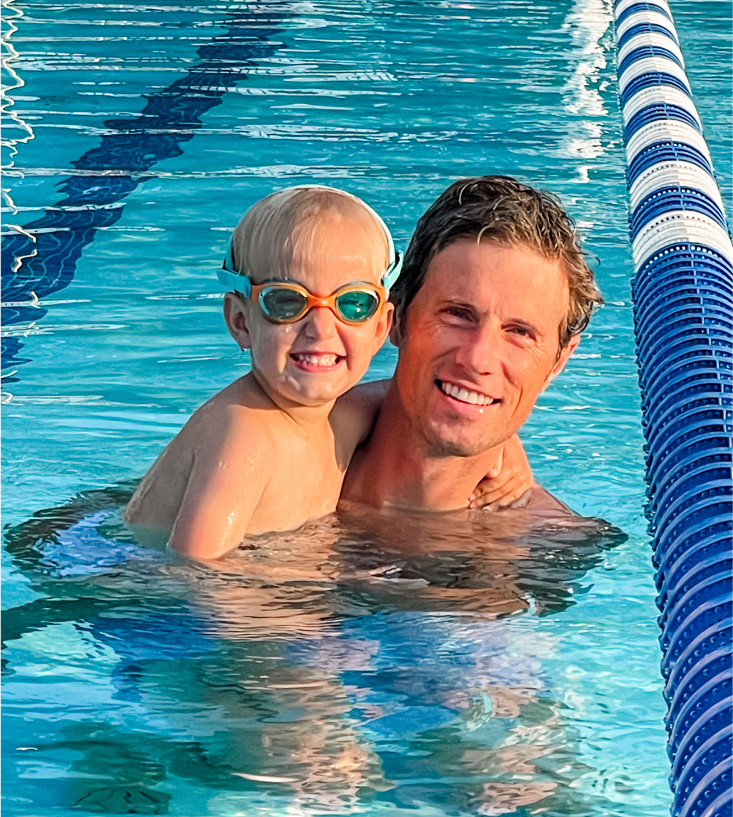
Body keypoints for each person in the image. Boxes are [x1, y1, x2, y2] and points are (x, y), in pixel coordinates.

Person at [124, 185, 530, 560]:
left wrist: (503, 442)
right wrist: (298, 622)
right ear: (241, 322)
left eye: (353, 304)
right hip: (136, 599)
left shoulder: (337, 418)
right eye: (286, 302)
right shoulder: (245, 435)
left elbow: (427, 397)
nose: (320, 328)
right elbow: (194, 567)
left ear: (380, 328)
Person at [341, 174, 603, 516]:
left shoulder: (550, 552)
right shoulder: (274, 481)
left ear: (557, 363)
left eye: (520, 332)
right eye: (457, 314)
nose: (478, 359)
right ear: (397, 318)